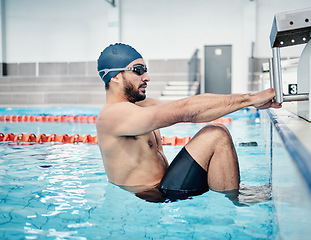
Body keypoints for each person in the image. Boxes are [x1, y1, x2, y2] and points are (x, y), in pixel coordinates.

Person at [96, 43, 282, 203]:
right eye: (138, 70)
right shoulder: (112, 115)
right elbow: (185, 110)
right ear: (115, 77)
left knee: (215, 132)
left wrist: (250, 101)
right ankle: (233, 201)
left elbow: (192, 106)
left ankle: (232, 190)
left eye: (146, 70)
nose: (146, 77)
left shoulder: (139, 107)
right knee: (216, 134)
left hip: (169, 185)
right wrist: (250, 99)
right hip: (153, 195)